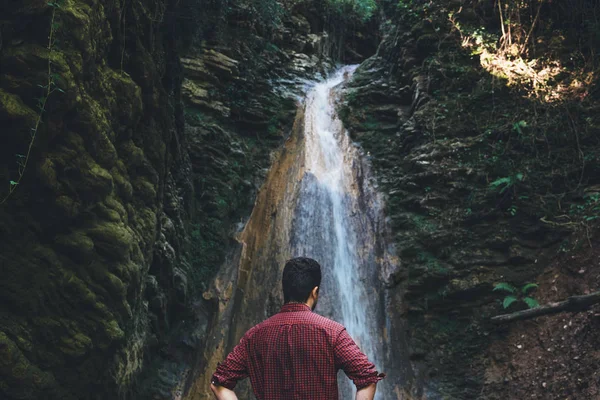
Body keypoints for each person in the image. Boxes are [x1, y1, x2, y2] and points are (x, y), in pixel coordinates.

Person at [210, 257, 384, 400]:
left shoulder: (254, 336)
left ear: (284, 290)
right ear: (315, 292)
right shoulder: (333, 332)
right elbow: (367, 378)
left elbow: (219, 383)